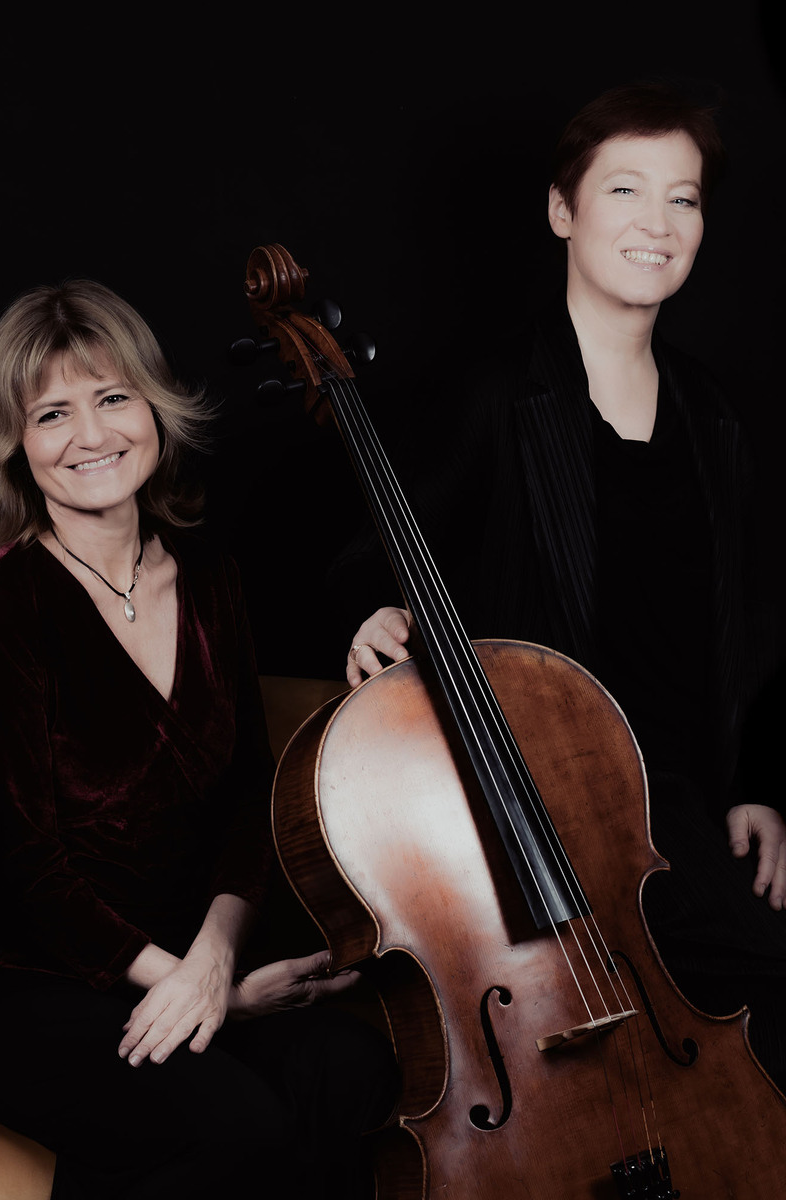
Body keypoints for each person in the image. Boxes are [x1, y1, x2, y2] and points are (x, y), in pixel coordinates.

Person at [338, 82, 786, 1085]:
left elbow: (754, 623)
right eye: (626, 189)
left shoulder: (716, 413)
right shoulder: (495, 393)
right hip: (544, 814)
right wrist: (367, 614)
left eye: (684, 198)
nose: (658, 222)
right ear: (562, 211)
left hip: (685, 816)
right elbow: (365, 557)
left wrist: (757, 787)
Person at [0, 279, 397, 1199]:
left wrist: (215, 961)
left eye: (113, 398)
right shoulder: (1, 605)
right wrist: (205, 993)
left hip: (196, 955)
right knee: (239, 1129)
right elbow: (28, 864)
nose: (91, 435)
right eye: (51, 414)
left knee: (348, 1070)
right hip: (47, 981)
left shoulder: (209, 575)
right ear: (14, 444)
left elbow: (247, 792)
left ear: (154, 408)